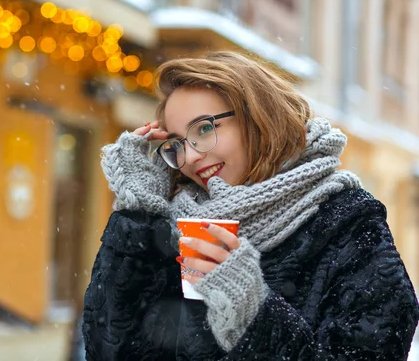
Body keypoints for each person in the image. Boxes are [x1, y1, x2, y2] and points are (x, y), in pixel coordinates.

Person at [81, 51, 419, 360]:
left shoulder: (347, 223)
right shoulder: (175, 226)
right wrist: (139, 214)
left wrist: (252, 314)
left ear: (258, 116)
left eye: (204, 127)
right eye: (177, 143)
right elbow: (111, 349)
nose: (191, 156)